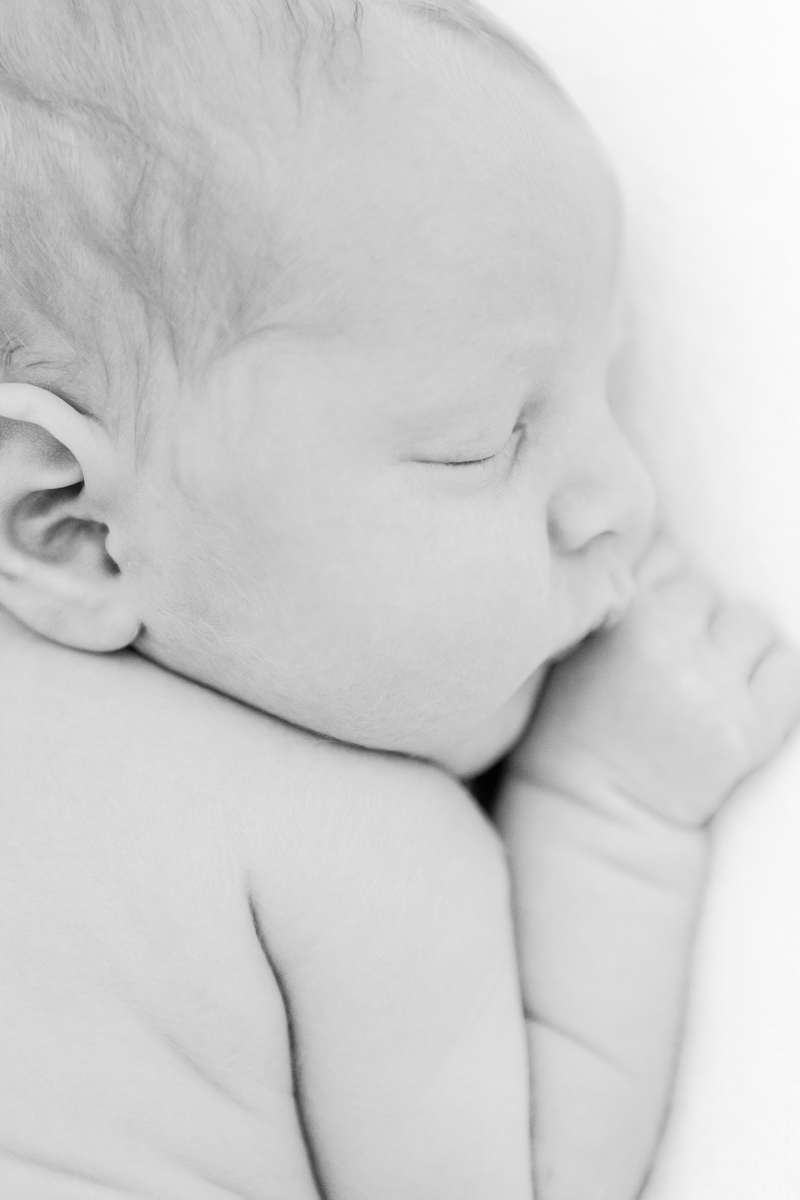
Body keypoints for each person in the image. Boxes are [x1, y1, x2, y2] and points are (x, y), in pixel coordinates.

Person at [0, 2, 797, 1197]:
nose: (624, 497)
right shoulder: (361, 846)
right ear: (71, 526)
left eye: (608, 386)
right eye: (482, 442)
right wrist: (607, 806)